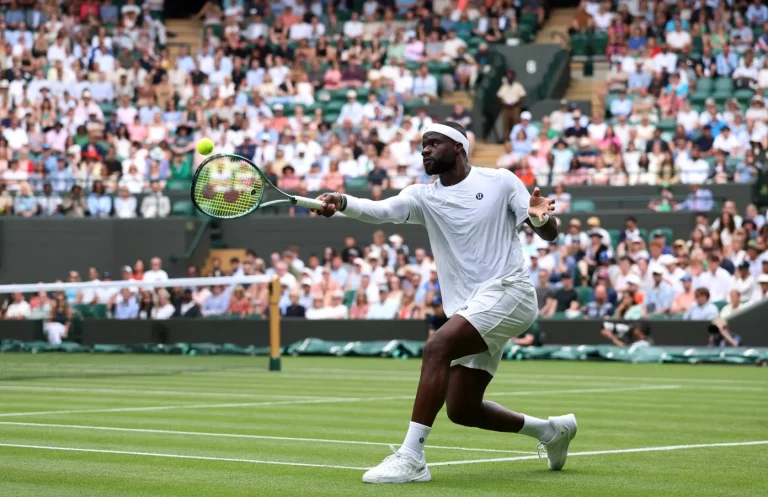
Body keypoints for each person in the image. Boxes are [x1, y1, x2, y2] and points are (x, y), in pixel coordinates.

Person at [314, 121, 575, 484]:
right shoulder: (423, 197)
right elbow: (381, 210)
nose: (425, 150)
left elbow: (547, 231)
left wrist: (540, 218)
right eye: (423, 145)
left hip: (510, 292)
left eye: (433, 143)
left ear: (458, 148)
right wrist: (342, 202)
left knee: (437, 347)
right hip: (473, 309)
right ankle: (551, 432)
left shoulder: (500, 181)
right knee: (463, 408)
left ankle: (412, 457)